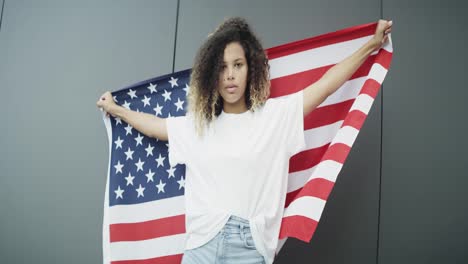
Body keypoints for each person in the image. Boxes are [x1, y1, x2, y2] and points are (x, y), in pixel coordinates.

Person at [97, 17, 392, 264]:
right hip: (201, 246)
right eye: (222, 67)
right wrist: (116, 109)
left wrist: (371, 45)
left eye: (237, 65)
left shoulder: (276, 117)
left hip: (249, 250)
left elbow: (326, 85)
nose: (230, 76)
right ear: (212, 75)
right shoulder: (199, 126)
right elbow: (156, 127)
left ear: (251, 68)